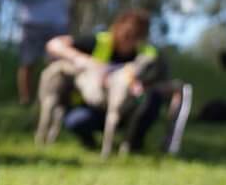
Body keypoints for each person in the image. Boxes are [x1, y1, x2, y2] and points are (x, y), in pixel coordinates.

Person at [44, 8, 163, 151]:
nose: (129, 38)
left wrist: (142, 86)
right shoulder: (100, 41)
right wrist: (82, 59)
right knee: (76, 121)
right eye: (127, 33)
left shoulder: (146, 55)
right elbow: (54, 44)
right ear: (117, 27)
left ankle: (134, 142)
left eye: (136, 35)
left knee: (153, 98)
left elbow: (159, 81)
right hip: (94, 106)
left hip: (128, 107)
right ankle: (89, 142)